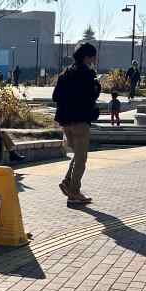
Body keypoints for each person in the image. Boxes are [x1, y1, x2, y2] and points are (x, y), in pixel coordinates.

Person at [53, 42, 101, 206]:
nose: (94, 59)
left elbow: (55, 96)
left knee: (77, 154)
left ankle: (67, 182)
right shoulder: (87, 74)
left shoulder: (65, 73)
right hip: (80, 121)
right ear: (87, 57)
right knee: (81, 158)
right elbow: (91, 96)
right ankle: (74, 192)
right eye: (93, 56)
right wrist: (97, 86)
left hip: (66, 121)